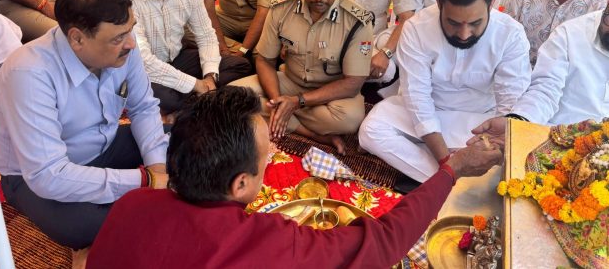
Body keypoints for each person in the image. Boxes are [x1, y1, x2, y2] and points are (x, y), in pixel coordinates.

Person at [86, 86, 503, 269]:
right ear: (240, 185)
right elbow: (384, 242)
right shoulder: (267, 243)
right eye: (266, 156)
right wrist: (452, 170)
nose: (272, 159)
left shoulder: (131, 205)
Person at [0, 0, 170, 263]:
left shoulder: (125, 46)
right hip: (32, 178)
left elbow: (144, 108)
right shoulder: (29, 73)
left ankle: (138, 216)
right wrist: (146, 179)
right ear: (77, 38)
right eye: (117, 38)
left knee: (185, 139)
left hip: (104, 147)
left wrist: (157, 168)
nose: (130, 44)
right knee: (85, 225)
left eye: (130, 30)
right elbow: (48, 175)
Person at [359, 0, 531, 183]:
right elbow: (418, 99)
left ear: (491, 5)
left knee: (514, 150)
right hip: (430, 110)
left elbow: (511, 104)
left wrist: (492, 143)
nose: (464, 34)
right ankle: (454, 182)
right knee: (372, 130)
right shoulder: (416, 28)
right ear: (439, 4)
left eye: (475, 23)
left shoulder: (510, 34)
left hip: (480, 121)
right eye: (454, 23)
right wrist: (446, 161)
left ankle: (445, 176)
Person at [232, 0, 374, 154]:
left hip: (331, 94)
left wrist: (297, 102)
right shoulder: (281, 9)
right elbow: (264, 60)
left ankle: (278, 115)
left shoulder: (357, 22)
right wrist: (278, 101)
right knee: (232, 95)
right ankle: (311, 133)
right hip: (289, 82)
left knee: (350, 120)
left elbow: (352, 84)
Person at [117, 0, 251, 115]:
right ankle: (202, 101)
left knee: (240, 65)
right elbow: (143, 61)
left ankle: (192, 104)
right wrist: (195, 84)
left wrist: (210, 77)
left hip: (178, 59)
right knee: (161, 95)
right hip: (143, 71)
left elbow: (206, 35)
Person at [472, 0, 609, 143]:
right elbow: (545, 90)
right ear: (606, 5)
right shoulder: (570, 34)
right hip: (559, 139)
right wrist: (518, 122)